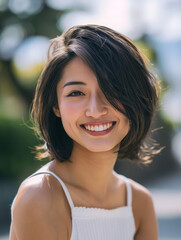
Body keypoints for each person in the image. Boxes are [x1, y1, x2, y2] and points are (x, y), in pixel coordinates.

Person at [9, 24, 160, 240]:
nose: (96, 110)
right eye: (77, 93)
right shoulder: (41, 196)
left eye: (112, 90)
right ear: (56, 106)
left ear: (137, 99)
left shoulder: (139, 202)